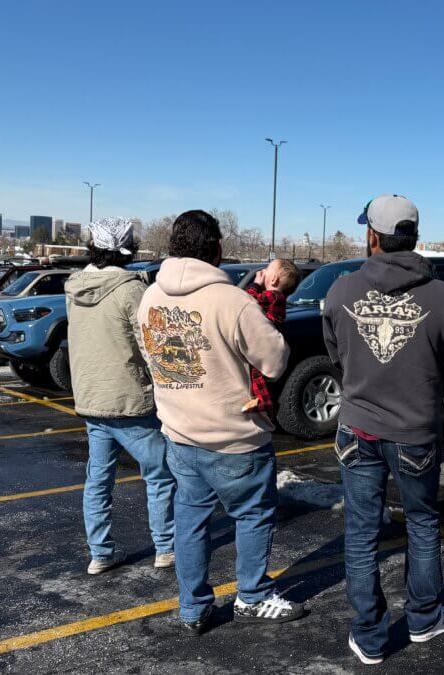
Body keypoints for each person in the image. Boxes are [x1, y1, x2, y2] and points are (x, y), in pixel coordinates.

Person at [136, 210, 304, 635]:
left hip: (179, 431)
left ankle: (192, 607)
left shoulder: (151, 297)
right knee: (252, 515)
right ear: (217, 250)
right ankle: (252, 596)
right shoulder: (231, 301)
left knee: (190, 520)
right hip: (234, 437)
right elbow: (275, 359)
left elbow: (150, 353)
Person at [322, 194, 444, 665]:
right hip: (415, 432)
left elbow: (337, 355)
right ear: (414, 237)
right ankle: (424, 616)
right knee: (423, 525)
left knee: (362, 531)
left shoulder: (342, 291)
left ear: (373, 237)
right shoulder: (443, 296)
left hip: (359, 428)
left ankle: (369, 635)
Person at [65, 216, 176, 575]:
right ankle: (166, 547)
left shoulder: (73, 288)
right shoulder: (132, 290)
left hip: (91, 398)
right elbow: (149, 346)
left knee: (98, 479)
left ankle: (100, 553)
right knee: (159, 475)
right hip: (130, 400)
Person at [240, 259, 302, 417]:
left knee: (257, 373)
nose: (262, 271)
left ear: (273, 280)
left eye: (267, 268)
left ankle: (266, 402)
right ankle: (264, 401)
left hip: (265, 341)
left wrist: (255, 284)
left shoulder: (272, 297)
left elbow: (247, 300)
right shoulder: (276, 298)